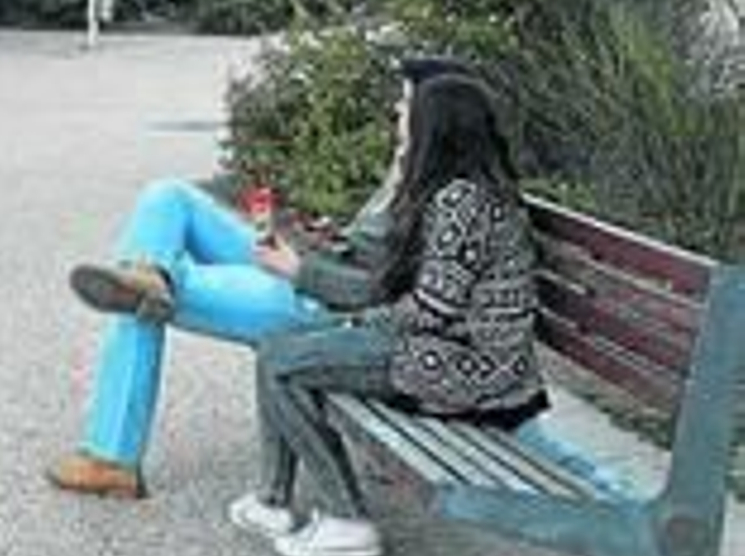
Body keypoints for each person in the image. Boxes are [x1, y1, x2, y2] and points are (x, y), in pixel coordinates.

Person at [47, 56, 473, 500]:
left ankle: (112, 457)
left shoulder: (445, 196)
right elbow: (371, 252)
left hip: (324, 308)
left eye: (405, 103)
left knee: (141, 299)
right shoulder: (413, 165)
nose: (396, 111)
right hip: (313, 274)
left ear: (433, 116)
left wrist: (302, 270)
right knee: (166, 198)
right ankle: (150, 273)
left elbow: (391, 292)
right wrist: (323, 241)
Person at [228, 73, 547, 556]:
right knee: (280, 340)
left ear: (434, 128)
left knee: (281, 358)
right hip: (452, 352)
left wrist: (359, 324)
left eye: (406, 115)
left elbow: (432, 312)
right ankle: (273, 499)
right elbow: (419, 296)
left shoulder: (463, 201)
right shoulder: (457, 192)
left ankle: (345, 519)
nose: (398, 122)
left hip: (468, 369)